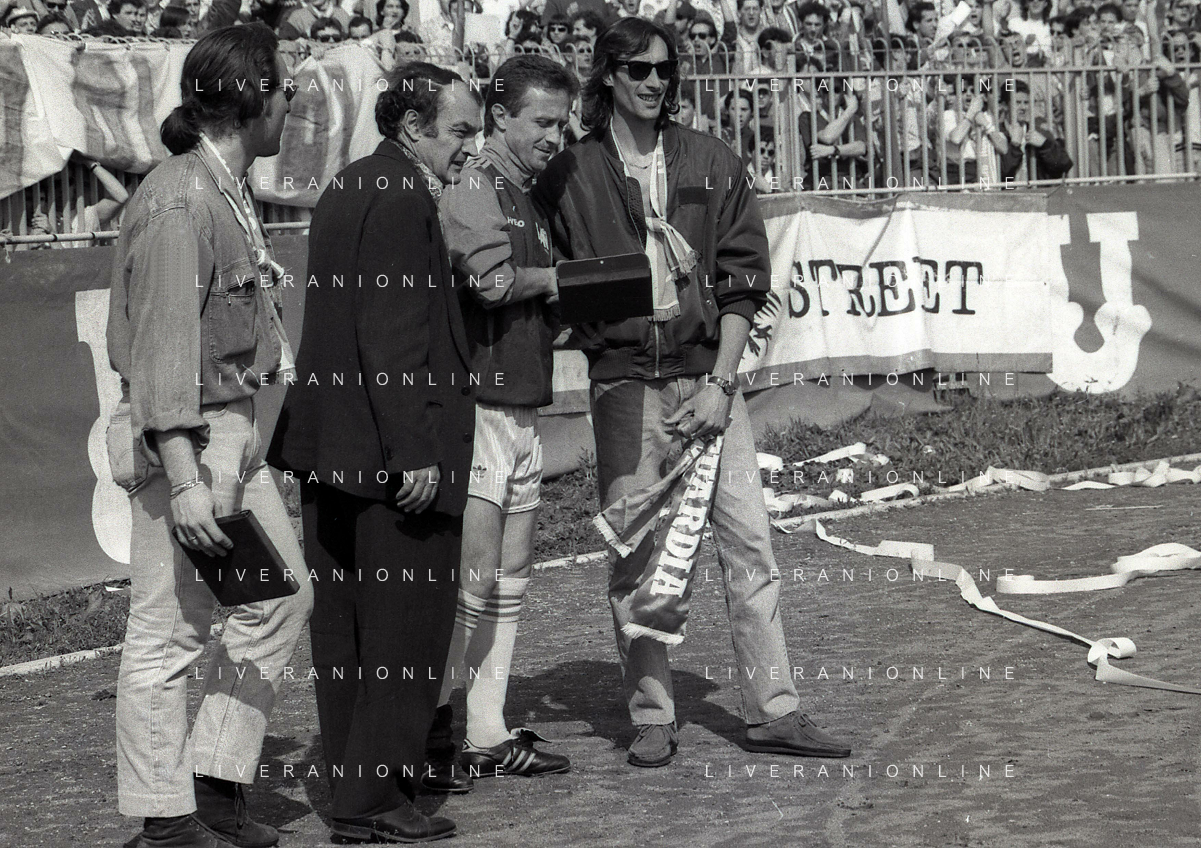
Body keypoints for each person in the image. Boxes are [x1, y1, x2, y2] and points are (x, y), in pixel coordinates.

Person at [533, 16, 851, 769]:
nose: (654, 81)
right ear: (608, 75)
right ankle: (652, 714)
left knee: (749, 546)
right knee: (636, 556)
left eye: (664, 69)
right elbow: (547, 277)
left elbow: (743, 283)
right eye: (638, 69)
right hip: (623, 386)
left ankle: (774, 710)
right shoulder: (569, 172)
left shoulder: (711, 159)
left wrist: (721, 384)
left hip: (709, 383)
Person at [105, 23, 311, 848]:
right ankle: (164, 822)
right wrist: (186, 479)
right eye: (285, 87)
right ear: (252, 97)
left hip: (231, 431)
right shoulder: (181, 200)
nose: (292, 101)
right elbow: (163, 353)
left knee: (280, 598)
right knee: (169, 632)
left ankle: (215, 784)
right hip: (186, 439)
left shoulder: (223, 186)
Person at [266, 61, 481, 845]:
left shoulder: (350, 184)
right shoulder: (399, 197)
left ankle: (357, 794)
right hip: (389, 458)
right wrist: (412, 449)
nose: (470, 147)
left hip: (335, 449)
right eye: (459, 131)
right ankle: (374, 798)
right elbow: (391, 331)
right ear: (413, 127)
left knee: (348, 634)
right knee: (404, 633)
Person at [423, 54, 578, 794]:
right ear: (500, 116)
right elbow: (488, 284)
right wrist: (561, 281)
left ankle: (486, 730)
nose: (555, 136)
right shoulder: (475, 183)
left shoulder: (526, 193)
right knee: (473, 577)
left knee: (510, 574)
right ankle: (433, 736)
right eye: (542, 121)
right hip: (479, 405)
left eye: (562, 123)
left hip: (521, 403)